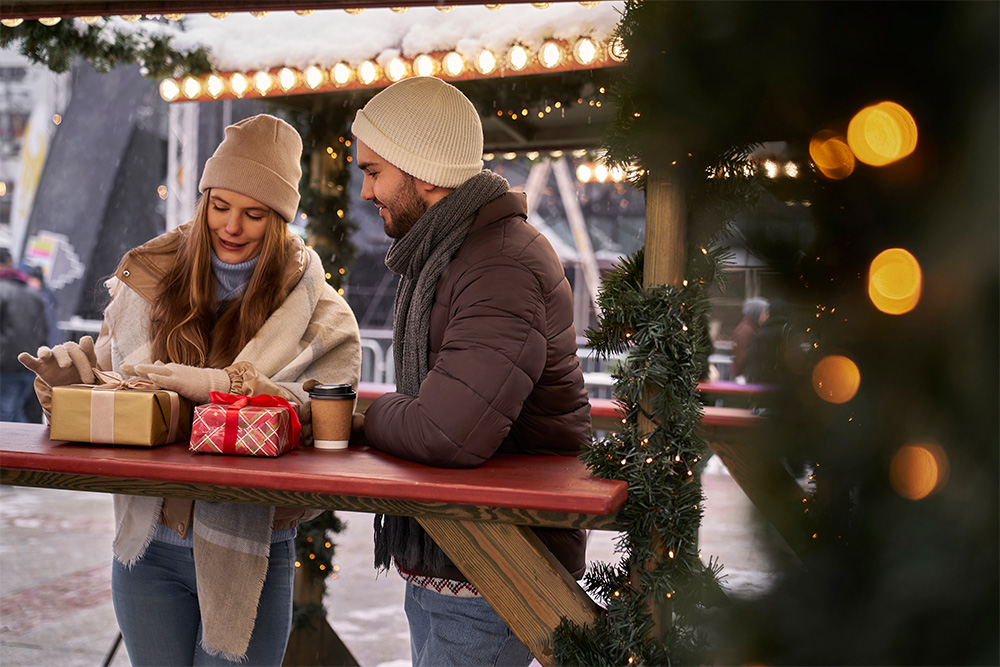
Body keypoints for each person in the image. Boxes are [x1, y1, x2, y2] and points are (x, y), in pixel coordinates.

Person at [19, 114, 362, 666]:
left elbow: (321, 412)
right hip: (148, 548)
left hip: (247, 554)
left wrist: (219, 388)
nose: (232, 225)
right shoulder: (148, 283)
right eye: (219, 205)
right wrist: (70, 386)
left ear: (280, 220)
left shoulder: (320, 312)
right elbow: (113, 381)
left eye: (254, 213)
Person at [350, 77, 592, 667]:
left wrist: (363, 415)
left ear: (424, 172)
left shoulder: (500, 263)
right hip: (457, 547)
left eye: (375, 171)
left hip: (498, 558)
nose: (364, 190)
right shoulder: (455, 250)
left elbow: (447, 431)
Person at [1, 248, 52, 422]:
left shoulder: (3, 291)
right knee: (15, 413)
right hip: (29, 364)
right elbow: (44, 331)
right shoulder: (33, 294)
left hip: (5, 366)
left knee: (5, 416)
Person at [730, 296, 768, 381]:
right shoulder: (746, 331)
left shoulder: (750, 328)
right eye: (764, 312)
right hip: (744, 377)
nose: (766, 316)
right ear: (756, 313)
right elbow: (743, 358)